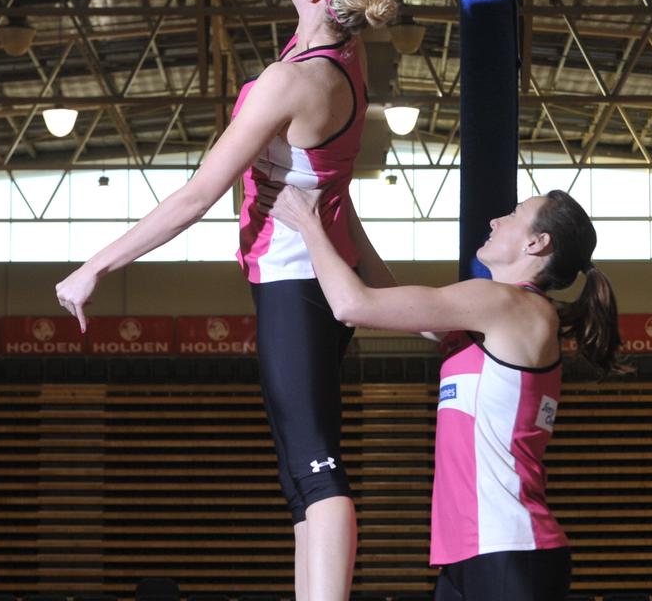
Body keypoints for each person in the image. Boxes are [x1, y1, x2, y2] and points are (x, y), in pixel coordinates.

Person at [55, 0, 401, 601]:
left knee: (315, 467)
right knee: (300, 470)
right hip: (304, 271)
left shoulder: (295, 85)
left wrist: (98, 263)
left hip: (295, 276)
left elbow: (199, 195)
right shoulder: (338, 48)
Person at [262, 185, 629, 601]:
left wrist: (309, 226)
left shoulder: (508, 304)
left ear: (537, 242)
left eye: (513, 213)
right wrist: (342, 212)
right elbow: (390, 300)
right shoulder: (496, 312)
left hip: (508, 550)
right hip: (471, 555)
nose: (495, 220)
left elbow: (353, 306)